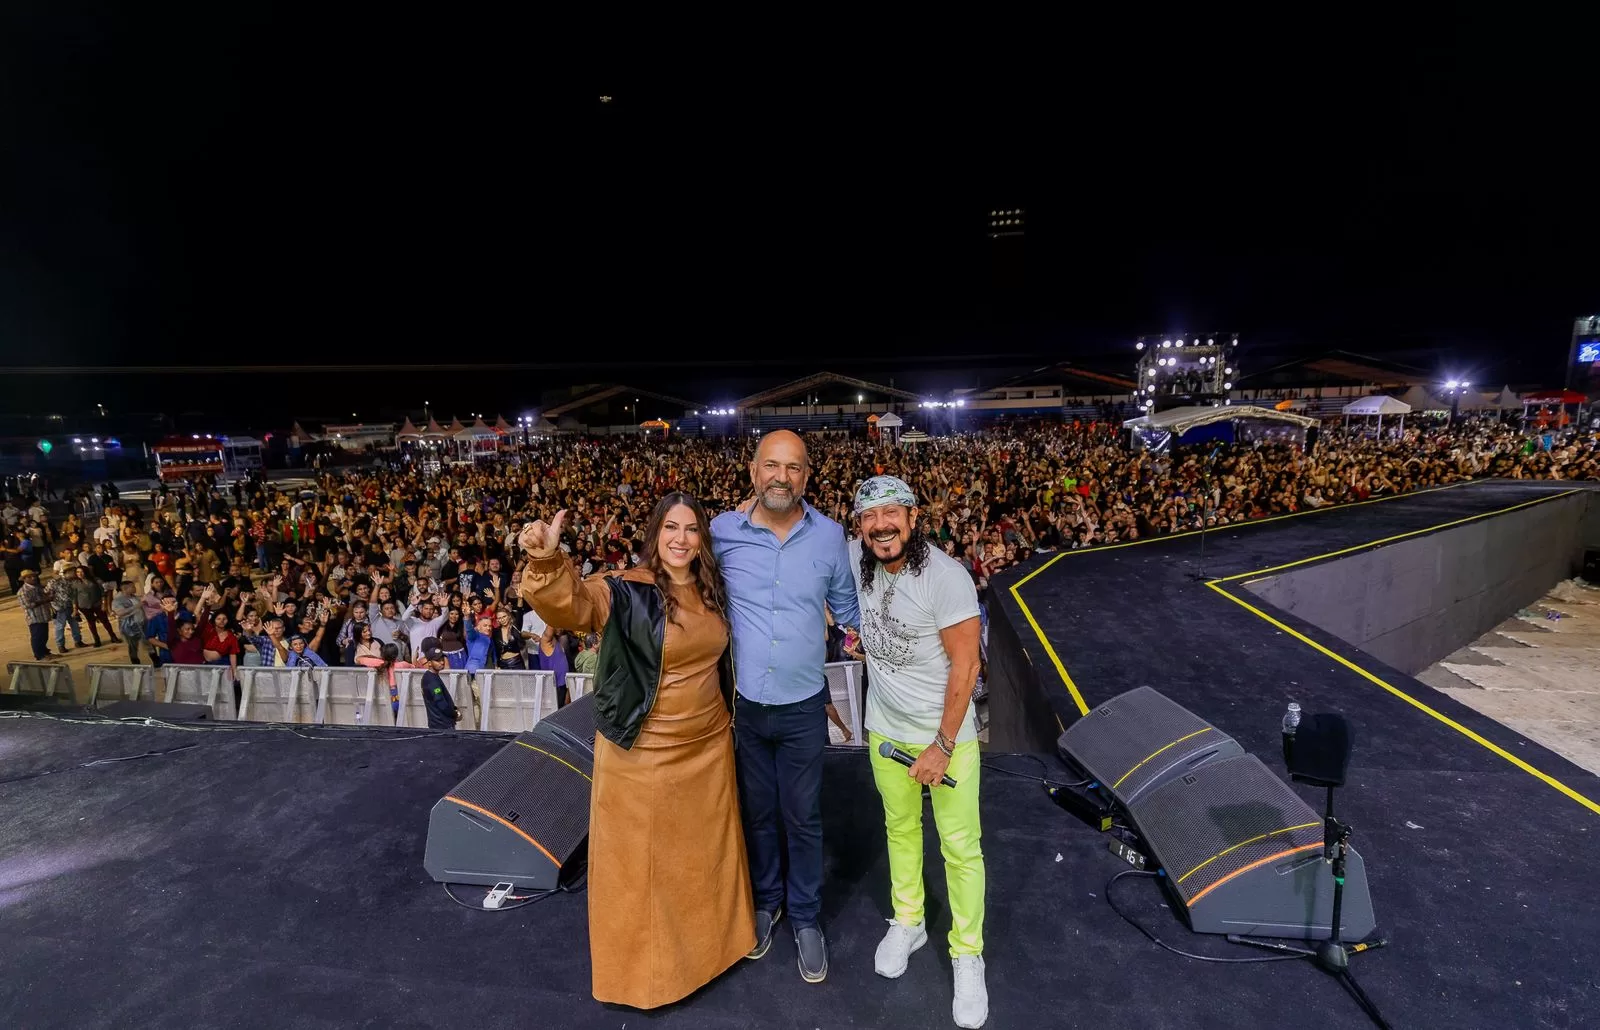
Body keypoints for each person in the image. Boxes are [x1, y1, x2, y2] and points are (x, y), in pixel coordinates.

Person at [517, 493, 754, 1010]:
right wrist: (547, 560)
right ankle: (648, 982)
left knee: (704, 861)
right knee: (643, 872)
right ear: (655, 533)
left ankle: (716, 951)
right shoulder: (625, 588)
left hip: (709, 746)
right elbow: (574, 606)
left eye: (691, 529)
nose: (681, 539)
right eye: (671, 527)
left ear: (703, 539)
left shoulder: (713, 589)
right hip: (644, 753)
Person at [711, 429, 858, 982]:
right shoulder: (722, 532)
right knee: (759, 813)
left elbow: (849, 611)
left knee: (803, 816)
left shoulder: (830, 537)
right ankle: (767, 902)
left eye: (793, 467)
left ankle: (805, 916)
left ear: (806, 476)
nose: (782, 476)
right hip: (745, 707)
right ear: (753, 471)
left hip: (802, 708)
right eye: (771, 465)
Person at [849, 476, 988, 1029]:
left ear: (913, 518)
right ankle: (909, 921)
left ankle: (967, 952)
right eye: (869, 516)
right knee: (900, 830)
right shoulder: (859, 563)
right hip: (885, 731)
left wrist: (943, 745)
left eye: (892, 513)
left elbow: (968, 666)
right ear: (859, 527)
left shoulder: (946, 577)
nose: (881, 525)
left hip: (945, 738)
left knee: (960, 848)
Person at [413, 638, 461, 728]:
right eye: (437, 660)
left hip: (439, 724)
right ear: (429, 663)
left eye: (442, 659)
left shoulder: (431, 676)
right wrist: (454, 714)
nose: (442, 662)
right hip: (442, 725)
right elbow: (440, 702)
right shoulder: (431, 680)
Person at [19, 569, 51, 660]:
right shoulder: (23, 591)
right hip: (34, 617)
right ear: (24, 579)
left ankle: (45, 652)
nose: (33, 578)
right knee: (37, 636)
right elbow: (26, 605)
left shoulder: (37, 587)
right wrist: (42, 601)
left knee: (44, 635)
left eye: (34, 576)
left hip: (43, 615)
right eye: (29, 577)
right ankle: (39, 655)